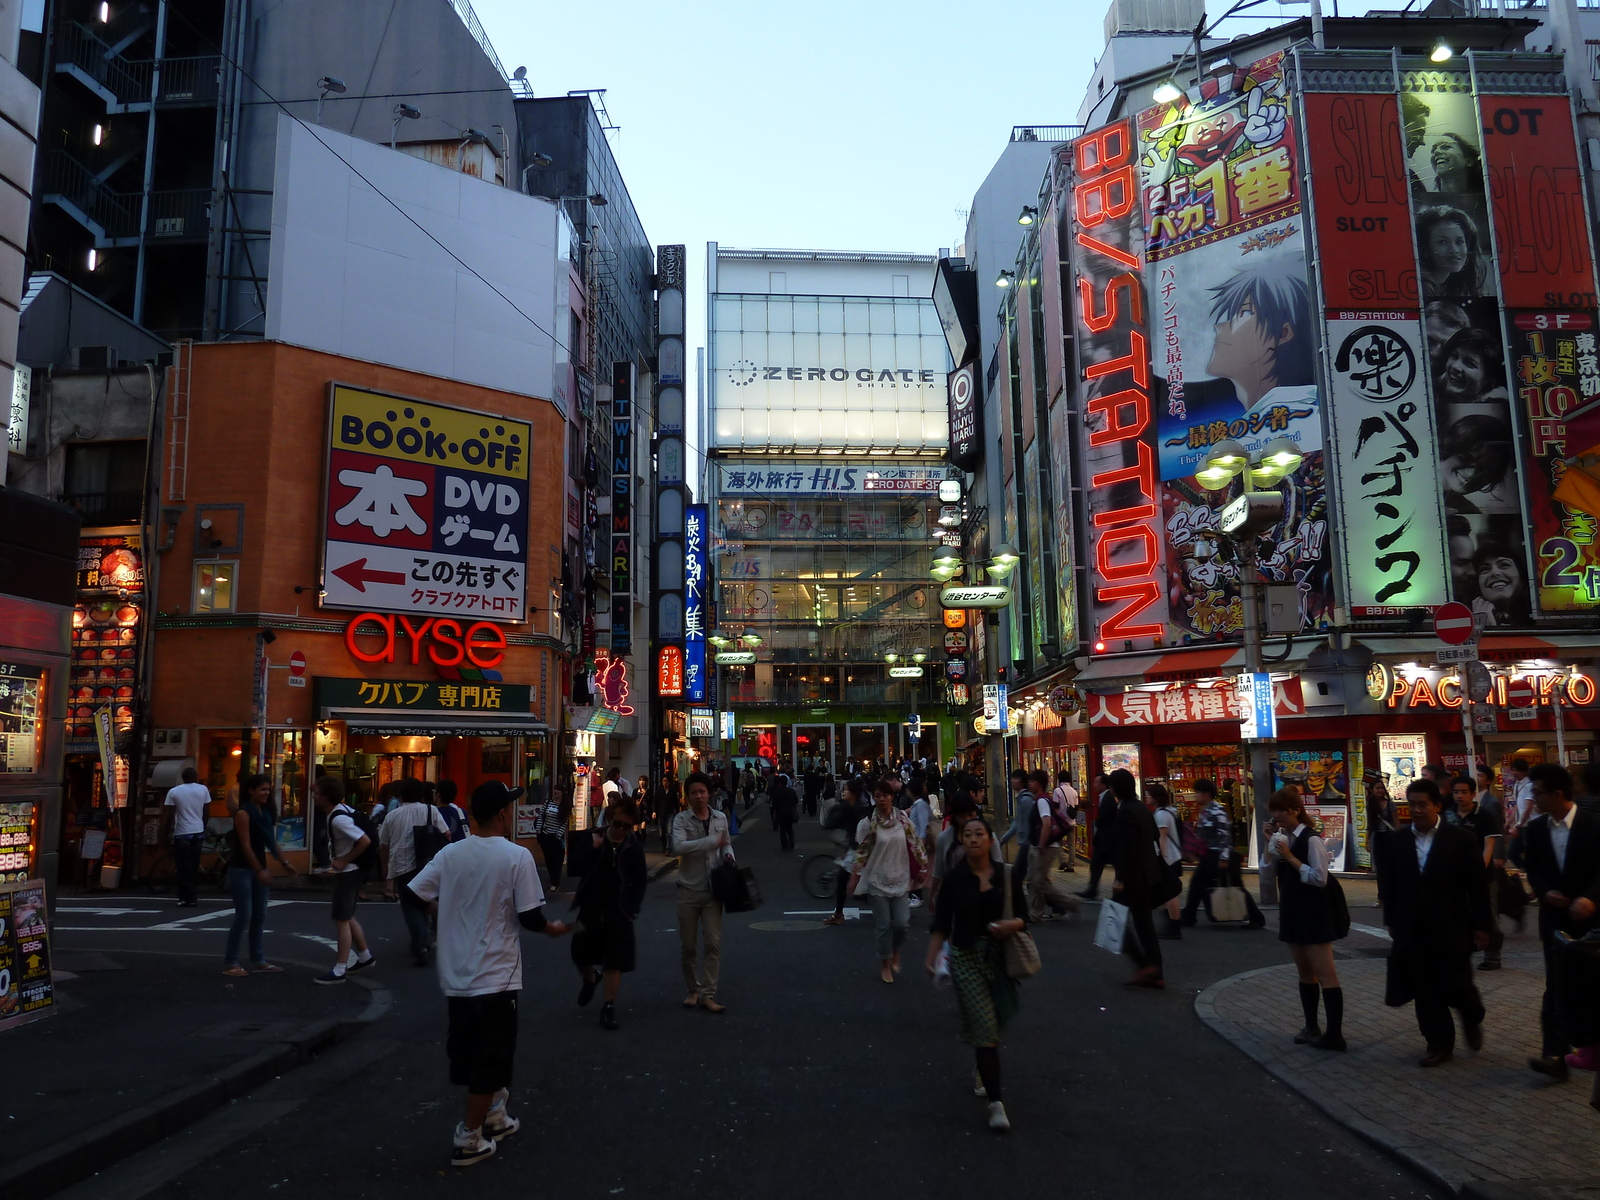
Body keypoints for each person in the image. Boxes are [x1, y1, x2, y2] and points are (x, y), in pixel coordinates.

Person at [403, 781, 567, 1166]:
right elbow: (530, 917)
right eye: (509, 808)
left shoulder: (451, 854)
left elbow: (411, 894)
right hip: (496, 974)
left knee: (471, 1051)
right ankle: (469, 1137)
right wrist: (553, 929)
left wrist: (440, 912)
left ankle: (495, 1115)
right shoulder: (516, 857)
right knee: (490, 1057)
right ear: (502, 815)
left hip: (456, 975)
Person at [1377, 779, 1492, 1067]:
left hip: (1452, 926)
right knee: (1425, 989)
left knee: (1459, 986)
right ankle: (1438, 1044)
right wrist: (1391, 920)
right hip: (1412, 928)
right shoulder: (1398, 841)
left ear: (1437, 806)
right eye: (1411, 804)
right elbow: (1389, 884)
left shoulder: (1461, 839)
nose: (1415, 810)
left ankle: (1471, 1015)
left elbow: (1477, 886)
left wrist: (1482, 925)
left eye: (1422, 804)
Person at [925, 814, 1029, 1134]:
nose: (972, 839)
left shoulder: (1006, 876)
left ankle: (984, 1063)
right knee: (985, 1029)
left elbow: (1024, 916)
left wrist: (1009, 925)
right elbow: (942, 922)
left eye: (979, 833)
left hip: (1000, 958)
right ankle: (996, 1103)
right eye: (967, 834)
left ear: (989, 840)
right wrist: (932, 955)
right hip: (966, 956)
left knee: (998, 1020)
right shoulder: (955, 880)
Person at [1522, 763, 1600, 1082]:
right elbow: (1534, 869)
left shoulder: (1593, 825)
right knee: (1555, 986)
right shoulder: (1537, 829)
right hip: (1555, 921)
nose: (1534, 798)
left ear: (1557, 794)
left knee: (1594, 987)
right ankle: (1554, 1054)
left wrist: (1591, 897)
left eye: (1538, 792)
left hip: (1593, 919)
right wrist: (1544, 891)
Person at [1264, 788, 1345, 1050]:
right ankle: (1311, 1026)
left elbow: (1320, 878)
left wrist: (1289, 856)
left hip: (1313, 910)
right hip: (1291, 908)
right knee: (1304, 972)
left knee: (1326, 974)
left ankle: (1334, 1035)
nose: (1278, 816)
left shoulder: (1311, 840)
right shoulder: (1281, 837)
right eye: (1274, 811)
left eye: (1282, 810)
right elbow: (1267, 870)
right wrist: (1270, 846)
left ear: (1296, 810)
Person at [566, 798, 646, 1031]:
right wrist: (594, 847)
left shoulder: (633, 846)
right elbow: (574, 867)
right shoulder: (593, 837)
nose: (622, 830)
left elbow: (639, 881)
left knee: (614, 959)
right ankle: (590, 978)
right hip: (590, 906)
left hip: (619, 909)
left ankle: (608, 1006)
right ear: (610, 819)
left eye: (627, 826)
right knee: (579, 953)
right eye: (618, 824)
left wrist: (633, 908)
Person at [848, 776, 929, 983]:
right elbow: (862, 851)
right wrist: (854, 877)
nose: (881, 799)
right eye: (877, 795)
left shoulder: (902, 818)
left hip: (900, 877)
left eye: (885, 795)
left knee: (902, 923)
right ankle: (885, 963)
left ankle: (895, 950)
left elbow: (915, 842)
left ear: (892, 797)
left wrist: (923, 866)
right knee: (883, 926)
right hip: (877, 879)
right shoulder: (868, 824)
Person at [223, 773, 297, 975]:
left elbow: (271, 842)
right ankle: (231, 963)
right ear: (251, 791)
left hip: (258, 868)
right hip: (241, 869)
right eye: (262, 789)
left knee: (259, 916)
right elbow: (246, 846)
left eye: (268, 790)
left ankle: (258, 959)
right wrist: (259, 870)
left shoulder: (265, 813)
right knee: (244, 915)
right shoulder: (243, 814)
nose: (266, 793)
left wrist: (285, 863)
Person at [670, 771, 732, 1013]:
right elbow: (677, 846)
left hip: (713, 889)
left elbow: (726, 842)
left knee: (713, 942)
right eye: (694, 792)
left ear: (709, 794)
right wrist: (709, 843)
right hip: (688, 888)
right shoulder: (681, 820)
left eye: (702, 792)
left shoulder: (719, 818)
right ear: (687, 796)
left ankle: (708, 994)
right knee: (688, 945)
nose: (698, 796)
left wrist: (728, 855)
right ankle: (693, 989)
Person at [380, 777, 452, 967]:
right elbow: (446, 834)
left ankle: (420, 944)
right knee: (425, 899)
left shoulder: (392, 816)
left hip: (402, 865)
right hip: (429, 864)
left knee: (410, 905)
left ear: (401, 795)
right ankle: (423, 939)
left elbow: (384, 845)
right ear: (421, 795)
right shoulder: (431, 810)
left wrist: (385, 871)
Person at [313, 775, 377, 984]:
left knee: (341, 919)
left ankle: (340, 968)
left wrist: (343, 860)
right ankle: (365, 957)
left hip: (349, 871)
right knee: (347, 916)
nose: (314, 797)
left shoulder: (338, 818)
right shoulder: (344, 810)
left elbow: (364, 841)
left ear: (325, 796)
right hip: (355, 869)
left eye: (316, 794)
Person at [1110, 769, 1168, 988]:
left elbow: (1127, 847)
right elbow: (1153, 835)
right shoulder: (1142, 808)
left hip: (1132, 877)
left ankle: (1144, 965)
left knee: (1115, 919)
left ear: (1115, 789)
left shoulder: (1125, 811)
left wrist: (1120, 879)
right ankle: (1156, 972)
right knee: (1144, 923)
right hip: (1148, 873)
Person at [1182, 778, 1265, 927]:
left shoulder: (1217, 811)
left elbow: (1225, 835)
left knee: (1234, 887)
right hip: (1209, 855)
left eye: (1198, 793)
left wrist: (1224, 857)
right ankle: (1189, 915)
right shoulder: (1205, 811)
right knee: (1198, 885)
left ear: (1207, 794)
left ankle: (1256, 918)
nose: (1196, 796)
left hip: (1219, 856)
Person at [1443, 774, 1505, 970]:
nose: (1459, 796)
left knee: (1489, 916)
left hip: (1482, 878)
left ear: (1472, 793)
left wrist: (1478, 871)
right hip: (1454, 878)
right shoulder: (1447, 814)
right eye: (1456, 792)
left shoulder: (1484, 815)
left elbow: (1489, 846)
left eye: (1464, 792)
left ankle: (1493, 956)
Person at [1025, 768, 1079, 921]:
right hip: (1041, 845)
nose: (1030, 784)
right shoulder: (1041, 799)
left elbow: (1046, 823)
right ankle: (1037, 912)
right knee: (1035, 880)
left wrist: (1041, 845)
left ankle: (1068, 903)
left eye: (1032, 781)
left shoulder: (1042, 800)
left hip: (1045, 846)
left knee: (1038, 882)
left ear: (1040, 784)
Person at [823, 776, 875, 925]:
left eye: (846, 790)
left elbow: (862, 833)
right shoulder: (851, 807)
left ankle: (840, 913)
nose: (844, 792)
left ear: (853, 792)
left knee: (855, 881)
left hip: (858, 850)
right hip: (855, 849)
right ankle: (839, 913)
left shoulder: (858, 809)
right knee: (845, 880)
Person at [162, 766, 211, 907]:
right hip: (198, 831)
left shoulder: (174, 792)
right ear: (195, 776)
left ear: (182, 777)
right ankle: (192, 895)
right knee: (194, 865)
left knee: (183, 866)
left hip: (182, 832)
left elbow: (170, 816)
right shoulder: (203, 790)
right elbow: (206, 811)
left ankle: (185, 896)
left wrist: (167, 833)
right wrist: (203, 827)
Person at [1416, 206, 1485, 299]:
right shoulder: (1422, 287)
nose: (1454, 250)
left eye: (1459, 241)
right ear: (1426, 247)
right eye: (1443, 242)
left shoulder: (1453, 286)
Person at [1149, 782, 1183, 938]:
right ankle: (1171, 921)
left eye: (1149, 795)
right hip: (1171, 857)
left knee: (1170, 893)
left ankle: (1174, 925)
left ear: (1156, 797)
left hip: (1168, 857)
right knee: (1167, 892)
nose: (1146, 797)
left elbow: (1162, 837)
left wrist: (1160, 858)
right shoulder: (1167, 811)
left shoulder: (1161, 814)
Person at [1077, 774, 1118, 900]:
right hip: (1104, 838)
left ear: (1104, 784)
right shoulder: (1104, 797)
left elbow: (1106, 817)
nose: (1094, 785)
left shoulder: (1108, 798)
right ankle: (1092, 890)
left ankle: (1115, 891)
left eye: (1096, 782)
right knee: (1096, 864)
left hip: (1107, 838)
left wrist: (1098, 821)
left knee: (1110, 864)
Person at [1051, 770, 1080, 871]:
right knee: (1071, 844)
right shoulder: (1074, 791)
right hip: (1072, 821)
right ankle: (1071, 865)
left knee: (1057, 841)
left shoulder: (1057, 791)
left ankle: (1063, 860)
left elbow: (1055, 806)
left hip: (1061, 822)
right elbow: (1076, 807)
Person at [771, 772, 801, 852]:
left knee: (782, 829)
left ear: (780, 783)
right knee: (789, 828)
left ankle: (784, 844)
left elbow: (774, 804)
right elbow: (795, 801)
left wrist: (774, 814)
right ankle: (791, 842)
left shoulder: (778, 792)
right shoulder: (791, 791)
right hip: (790, 812)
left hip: (781, 813)